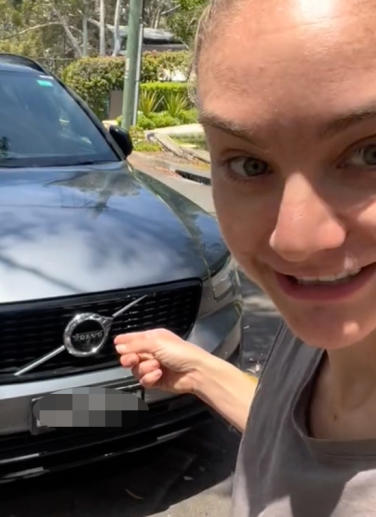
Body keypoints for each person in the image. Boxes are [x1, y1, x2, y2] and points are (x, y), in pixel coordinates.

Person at [115, 0, 376, 515]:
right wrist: (200, 372)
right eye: (250, 164)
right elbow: (295, 441)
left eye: (371, 153)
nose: (295, 241)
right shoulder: (337, 313)